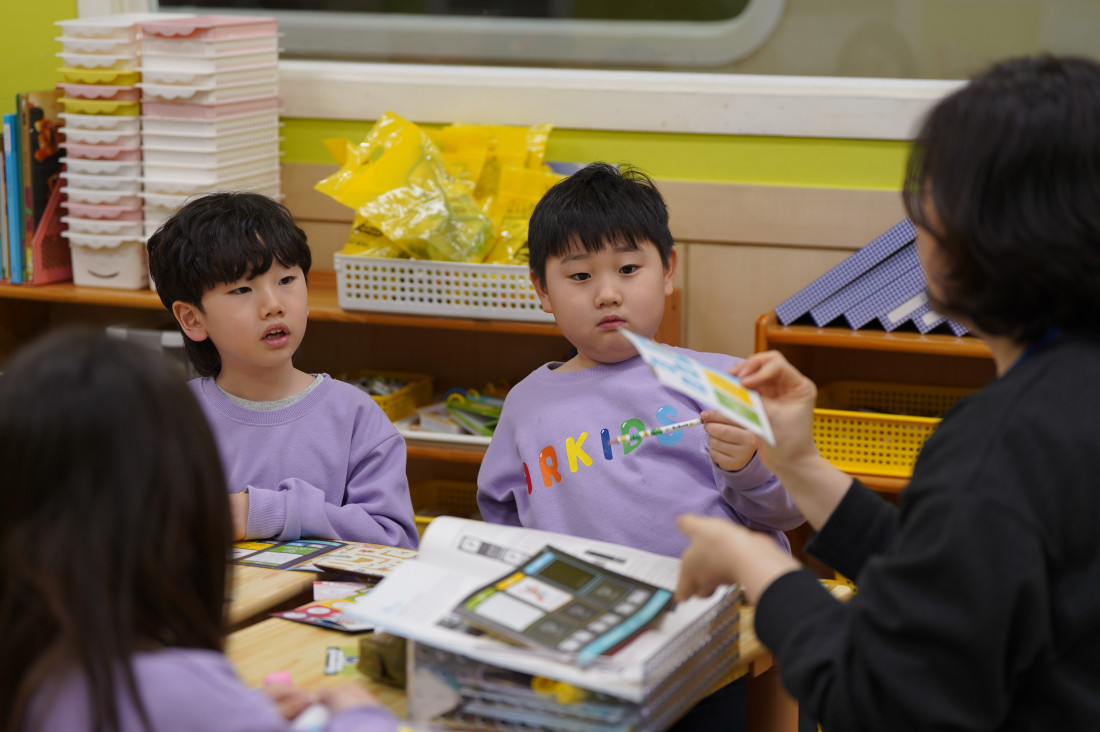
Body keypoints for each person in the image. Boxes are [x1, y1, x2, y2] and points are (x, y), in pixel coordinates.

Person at [675, 55, 1100, 731]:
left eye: (929, 204)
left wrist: (757, 566)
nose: (917, 228)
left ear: (989, 232)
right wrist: (799, 463)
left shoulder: (1002, 442)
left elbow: (881, 698)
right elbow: (957, 576)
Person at [477, 162, 803, 731]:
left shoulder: (721, 381)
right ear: (542, 290)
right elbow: (500, 513)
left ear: (668, 270)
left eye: (629, 269)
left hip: (713, 641)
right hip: (586, 649)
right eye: (580, 276)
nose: (608, 293)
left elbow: (788, 510)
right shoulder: (526, 405)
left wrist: (750, 466)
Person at [0, 328, 398, 732]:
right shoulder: (165, 686)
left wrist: (237, 710)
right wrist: (360, 716)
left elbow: (393, 537)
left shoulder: (38, 665)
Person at [147, 192, 418, 548]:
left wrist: (264, 512)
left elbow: (396, 543)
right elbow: (141, 532)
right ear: (192, 319)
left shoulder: (355, 416)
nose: (273, 305)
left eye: (286, 280)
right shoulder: (172, 420)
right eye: (242, 289)